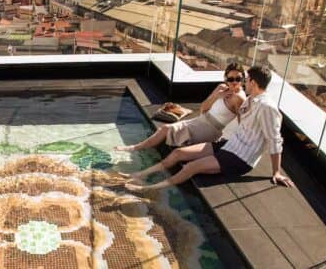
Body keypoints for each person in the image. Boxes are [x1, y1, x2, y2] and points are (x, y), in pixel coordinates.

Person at [123, 65, 293, 192]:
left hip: (240, 157)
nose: (244, 83)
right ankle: (140, 175)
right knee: (178, 154)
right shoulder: (250, 99)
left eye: (246, 80)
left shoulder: (267, 108)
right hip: (228, 145)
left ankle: (149, 188)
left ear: (253, 82)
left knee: (190, 167)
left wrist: (276, 172)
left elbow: (275, 140)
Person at [115, 63, 246, 152]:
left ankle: (134, 149)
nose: (234, 82)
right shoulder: (221, 88)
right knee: (166, 130)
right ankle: (139, 149)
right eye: (231, 78)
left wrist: (237, 146)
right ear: (225, 78)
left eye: (238, 79)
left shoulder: (239, 98)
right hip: (201, 120)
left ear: (243, 79)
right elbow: (203, 108)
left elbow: (243, 123)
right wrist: (217, 96)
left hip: (211, 129)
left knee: (166, 129)